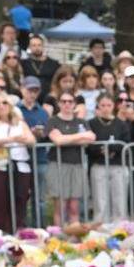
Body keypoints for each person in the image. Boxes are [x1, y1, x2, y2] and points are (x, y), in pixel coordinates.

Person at [0, 92, 39, 229]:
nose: (1, 106)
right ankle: (2, 233)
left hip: (20, 165)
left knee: (20, 199)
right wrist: (12, 139)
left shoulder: (19, 122)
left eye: (4, 103)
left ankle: (19, 230)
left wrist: (16, 139)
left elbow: (31, 140)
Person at [44, 95, 93, 225]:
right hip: (58, 165)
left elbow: (91, 137)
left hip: (77, 165)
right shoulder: (53, 121)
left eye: (70, 101)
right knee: (60, 207)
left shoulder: (81, 122)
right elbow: (58, 140)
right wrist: (80, 136)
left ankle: (73, 239)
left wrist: (65, 138)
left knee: (74, 207)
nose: (67, 104)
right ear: (59, 104)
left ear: (74, 104)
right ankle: (59, 238)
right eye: (63, 101)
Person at [85, 94, 133, 223]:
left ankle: (121, 226)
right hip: (98, 164)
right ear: (98, 107)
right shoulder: (91, 123)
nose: (106, 108)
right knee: (100, 199)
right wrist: (100, 150)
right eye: (103, 105)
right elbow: (88, 143)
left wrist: (112, 149)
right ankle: (100, 226)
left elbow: (126, 142)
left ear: (113, 106)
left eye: (109, 105)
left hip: (118, 164)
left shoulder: (121, 124)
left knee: (120, 197)